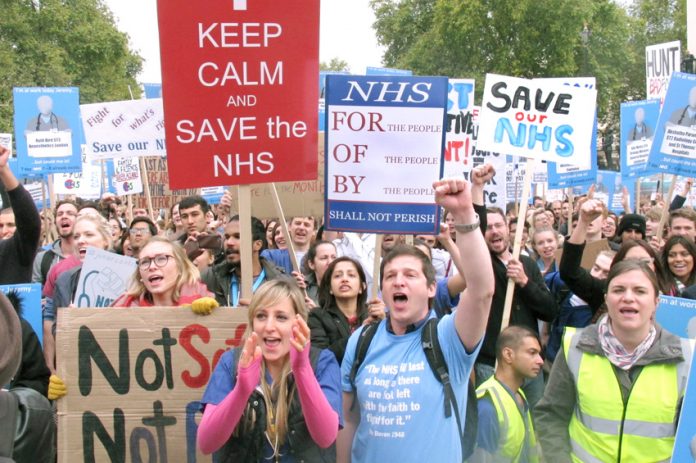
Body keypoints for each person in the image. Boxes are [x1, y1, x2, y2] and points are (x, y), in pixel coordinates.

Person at [339, 177, 495, 462]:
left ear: (432, 288)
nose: (399, 282)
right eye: (390, 276)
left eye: (410, 275)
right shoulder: (360, 341)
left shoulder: (449, 338)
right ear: (381, 289)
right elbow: (349, 422)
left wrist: (464, 216)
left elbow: (482, 291)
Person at [536, 260, 694, 462]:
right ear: (606, 300)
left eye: (639, 291)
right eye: (618, 290)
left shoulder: (686, 357)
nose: (628, 298)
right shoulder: (575, 347)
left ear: (656, 302)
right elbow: (551, 415)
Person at [197, 279, 341, 461]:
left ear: (299, 323)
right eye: (261, 316)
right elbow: (206, 443)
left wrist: (302, 370)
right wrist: (241, 390)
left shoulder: (322, 362)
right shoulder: (231, 362)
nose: (269, 327)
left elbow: (326, 437)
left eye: (281, 317)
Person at [476, 206, 557, 408]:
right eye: (488, 227)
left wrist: (524, 282)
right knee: (500, 426)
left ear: (508, 228)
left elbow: (550, 310)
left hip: (530, 365)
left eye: (499, 225)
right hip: (493, 364)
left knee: (534, 424)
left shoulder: (527, 264)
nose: (494, 231)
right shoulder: (481, 264)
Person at [472, 326, 543, 463]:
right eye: (532, 352)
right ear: (508, 355)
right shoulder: (487, 406)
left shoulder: (519, 394)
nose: (540, 360)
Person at [308, 256, 385, 364]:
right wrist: (360, 335)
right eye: (338, 276)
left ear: (362, 287)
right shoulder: (317, 316)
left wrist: (385, 324)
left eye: (351, 275)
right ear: (330, 288)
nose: (344, 279)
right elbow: (320, 357)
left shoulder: (374, 314)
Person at [202, 215, 288, 307]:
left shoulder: (281, 284)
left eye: (238, 237)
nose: (229, 242)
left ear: (258, 244)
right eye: (226, 237)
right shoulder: (211, 278)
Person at [112, 237, 215, 308]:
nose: (152, 267)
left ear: (180, 267)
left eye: (161, 259)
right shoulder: (122, 309)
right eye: (145, 262)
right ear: (140, 275)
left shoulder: (204, 302)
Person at [0, 145, 41, 285]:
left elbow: (29, 222)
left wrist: (3, 170)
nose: (4, 231)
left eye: (11, 225)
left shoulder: (14, 251)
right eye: (0, 226)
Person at [32, 199, 78, 284]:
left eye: (70, 213)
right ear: (55, 222)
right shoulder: (42, 259)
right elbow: (37, 294)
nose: (64, 216)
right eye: (59, 214)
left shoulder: (91, 255)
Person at [299, 239, 337, 305]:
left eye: (333, 257)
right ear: (311, 264)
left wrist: (316, 312)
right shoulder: (303, 288)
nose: (330, 262)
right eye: (324, 258)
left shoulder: (345, 286)